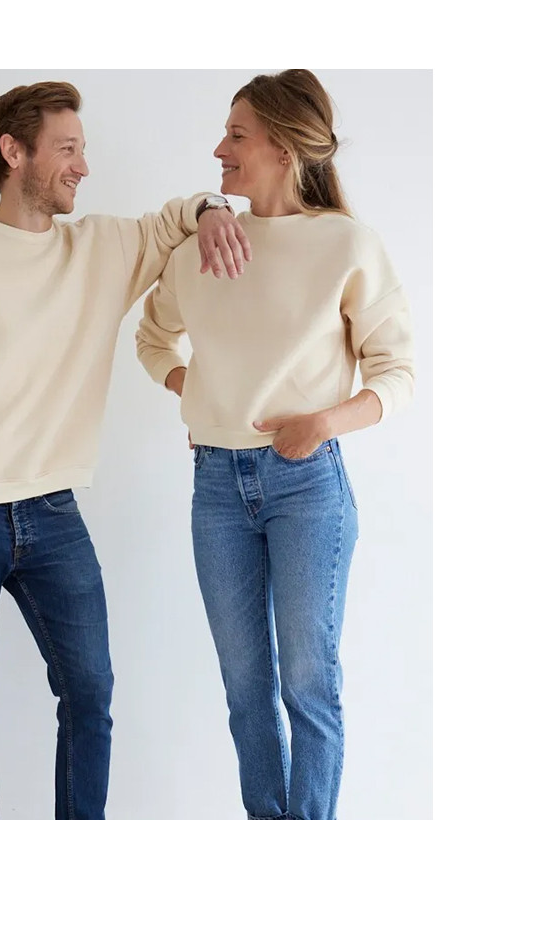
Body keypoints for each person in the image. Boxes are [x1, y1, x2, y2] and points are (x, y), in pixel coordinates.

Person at [0, 80, 251, 820]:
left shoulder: (99, 249)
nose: (83, 166)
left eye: (83, 149)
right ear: (13, 152)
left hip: (52, 511)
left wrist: (214, 208)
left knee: (90, 691)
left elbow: (173, 219)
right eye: (68, 149)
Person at [135, 70, 415, 820]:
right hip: (215, 488)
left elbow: (397, 373)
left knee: (308, 685)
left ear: (285, 149)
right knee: (245, 691)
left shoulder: (347, 244)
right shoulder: (203, 246)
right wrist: (192, 392)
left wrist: (322, 423)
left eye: (237, 135)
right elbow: (153, 339)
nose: (218, 148)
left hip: (307, 484)